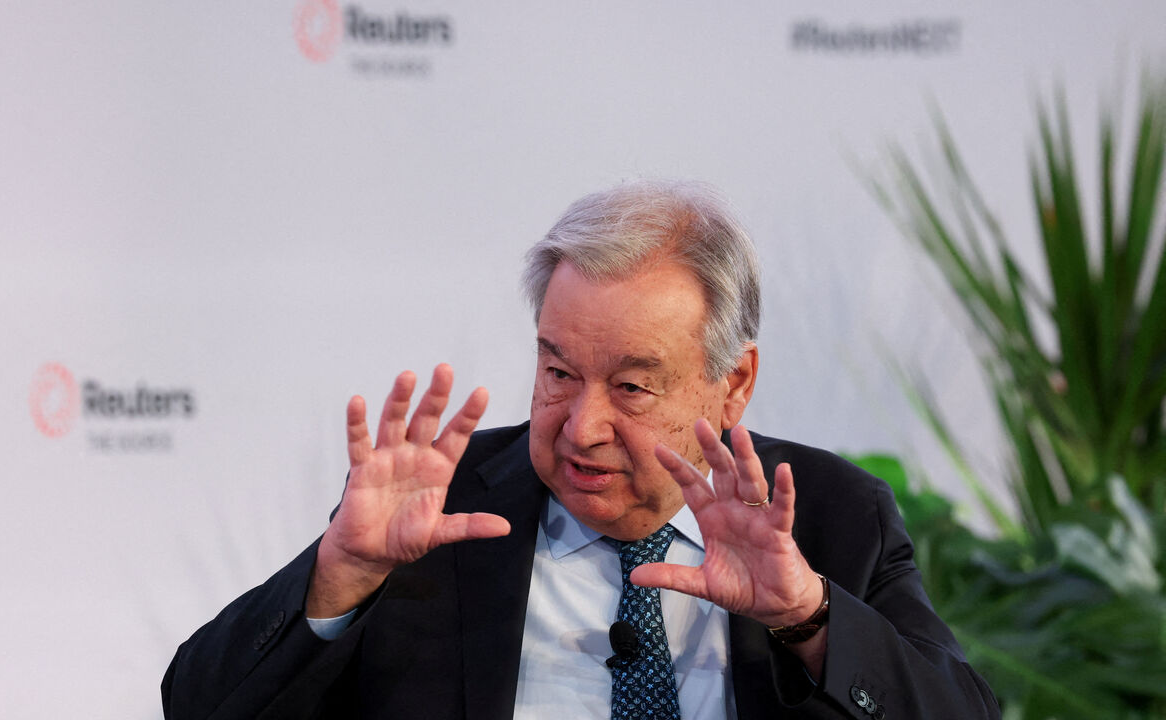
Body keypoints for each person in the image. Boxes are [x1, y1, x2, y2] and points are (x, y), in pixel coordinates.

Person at [162, 179, 999, 719]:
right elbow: (196, 706)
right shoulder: (435, 512)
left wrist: (808, 619)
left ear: (733, 384)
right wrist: (341, 574)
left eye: (632, 387)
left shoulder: (830, 516)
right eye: (558, 372)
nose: (581, 426)